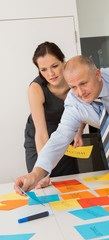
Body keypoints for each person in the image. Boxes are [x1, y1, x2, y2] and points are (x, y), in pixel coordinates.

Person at [14, 55, 109, 194]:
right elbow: (60, 138)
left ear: (97, 75)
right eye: (73, 87)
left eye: (83, 83)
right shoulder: (73, 102)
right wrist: (35, 175)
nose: (80, 92)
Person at [24, 42, 84, 189]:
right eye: (43, 69)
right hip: (40, 138)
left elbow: (83, 108)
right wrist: (43, 171)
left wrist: (79, 131)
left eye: (54, 66)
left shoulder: (75, 79)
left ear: (63, 60)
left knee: (68, 184)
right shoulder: (36, 89)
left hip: (65, 133)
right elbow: (41, 133)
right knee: (41, 183)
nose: (50, 74)